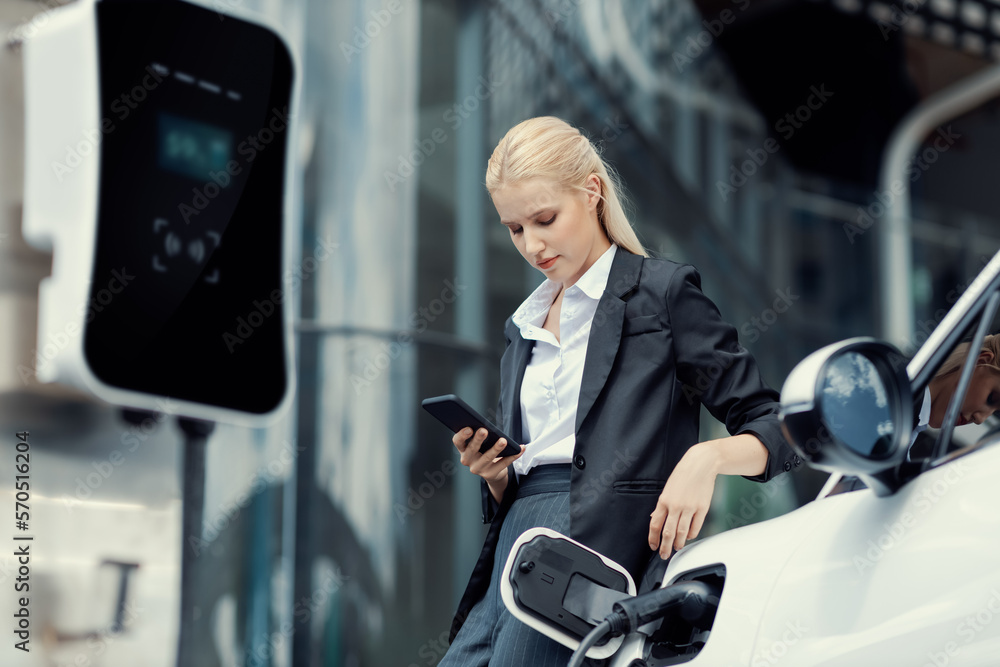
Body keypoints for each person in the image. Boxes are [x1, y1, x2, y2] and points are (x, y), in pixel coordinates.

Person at [438, 116, 800, 667]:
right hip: (514, 546)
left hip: (587, 553)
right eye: (515, 229)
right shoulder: (523, 327)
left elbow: (780, 426)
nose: (532, 245)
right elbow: (538, 464)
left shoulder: (664, 294)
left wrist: (707, 458)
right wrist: (495, 476)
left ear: (592, 191)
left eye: (545, 219)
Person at [822, 334, 1000, 496]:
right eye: (992, 398)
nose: (981, 419)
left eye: (994, 413)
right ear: (979, 362)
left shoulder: (903, 416)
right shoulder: (879, 406)